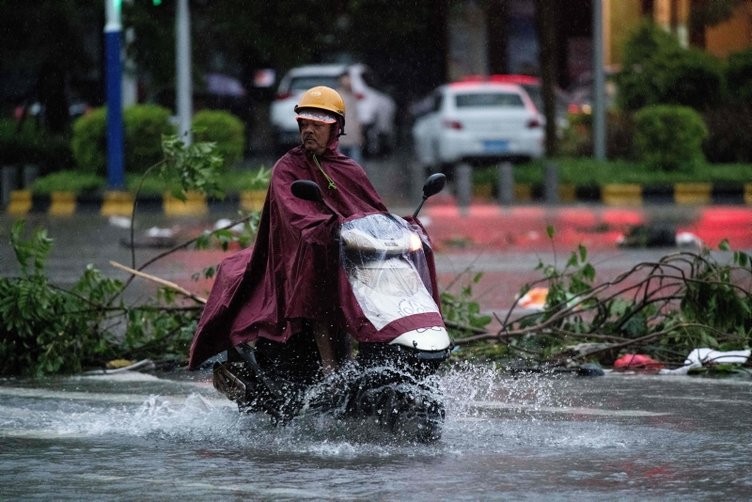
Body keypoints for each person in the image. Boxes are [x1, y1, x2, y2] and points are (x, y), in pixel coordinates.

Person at [188, 86, 388, 374]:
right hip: (298, 254)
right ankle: (331, 371)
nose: (308, 131)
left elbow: (374, 212)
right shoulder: (287, 168)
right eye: (304, 124)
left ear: (336, 129)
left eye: (317, 125)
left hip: (346, 254)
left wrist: (402, 228)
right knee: (317, 272)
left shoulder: (350, 169)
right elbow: (297, 217)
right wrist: (326, 228)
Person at [335, 71, 364, 164]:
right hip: (339, 137)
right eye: (346, 79)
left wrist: (360, 134)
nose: (348, 82)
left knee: (355, 166)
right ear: (341, 80)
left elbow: (357, 117)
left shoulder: (354, 96)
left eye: (350, 79)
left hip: (353, 137)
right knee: (339, 167)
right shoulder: (336, 95)